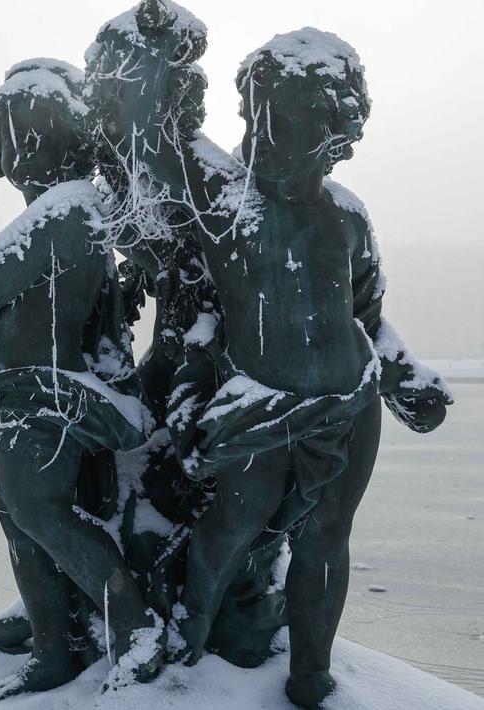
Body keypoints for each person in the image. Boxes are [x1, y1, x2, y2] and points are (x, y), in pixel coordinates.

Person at [89, 9, 451, 706]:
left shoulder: (345, 215)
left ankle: (311, 675)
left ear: (338, 136)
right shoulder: (225, 201)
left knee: (325, 539)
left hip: (348, 403)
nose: (265, 140)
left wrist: (406, 378)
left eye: (293, 128)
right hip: (257, 403)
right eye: (260, 122)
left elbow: (367, 315)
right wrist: (157, 44)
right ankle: (187, 649)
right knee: (228, 529)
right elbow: (153, 134)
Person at [0, 58, 159, 698]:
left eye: (6, 146)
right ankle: (54, 649)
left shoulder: (67, 208)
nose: (2, 166)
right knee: (22, 527)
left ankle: (137, 630)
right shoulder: (69, 212)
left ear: (40, 137)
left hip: (42, 400)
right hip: (10, 402)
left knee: (40, 513)